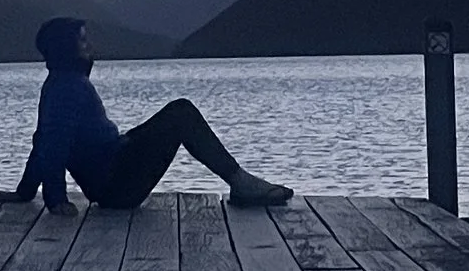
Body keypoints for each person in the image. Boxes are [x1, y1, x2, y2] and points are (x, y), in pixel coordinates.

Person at [15, 16, 292, 212]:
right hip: (115, 186)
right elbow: (52, 144)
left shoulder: (62, 83)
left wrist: (26, 192)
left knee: (162, 121)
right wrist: (55, 200)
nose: (90, 47)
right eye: (83, 42)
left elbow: (41, 140)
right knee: (181, 113)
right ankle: (240, 182)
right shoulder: (66, 87)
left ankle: (240, 181)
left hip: (112, 171)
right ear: (67, 48)